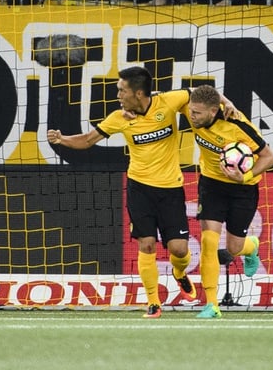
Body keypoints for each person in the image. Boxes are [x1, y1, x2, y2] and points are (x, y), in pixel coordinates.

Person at [47, 66, 236, 318]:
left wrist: (229, 102)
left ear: (138, 93)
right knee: (146, 245)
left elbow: (204, 93)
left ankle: (179, 272)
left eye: (121, 90)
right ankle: (154, 303)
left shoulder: (168, 102)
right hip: (139, 189)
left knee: (179, 249)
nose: (118, 95)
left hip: (170, 189)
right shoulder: (118, 117)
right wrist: (62, 139)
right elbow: (88, 140)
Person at [185, 84, 273, 319]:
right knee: (208, 241)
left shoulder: (238, 126)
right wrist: (228, 99)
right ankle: (211, 304)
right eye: (191, 111)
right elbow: (192, 89)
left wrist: (245, 175)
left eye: (197, 113)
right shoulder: (193, 107)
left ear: (213, 111)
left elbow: (270, 157)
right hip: (211, 184)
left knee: (234, 247)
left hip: (242, 188)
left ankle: (251, 247)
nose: (192, 117)